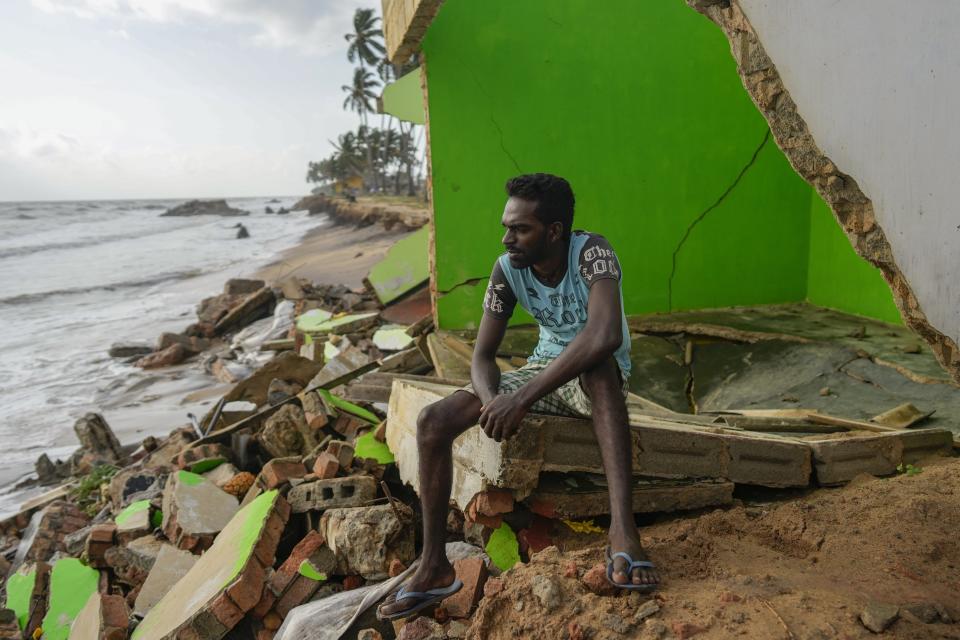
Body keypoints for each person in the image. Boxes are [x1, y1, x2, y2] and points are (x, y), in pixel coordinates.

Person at [377, 173, 660, 621]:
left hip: (592, 376)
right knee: (434, 421)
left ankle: (623, 532)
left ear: (554, 231)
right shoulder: (507, 268)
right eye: (507, 226)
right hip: (542, 371)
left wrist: (523, 398)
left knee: (600, 369)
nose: (507, 238)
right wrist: (493, 401)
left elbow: (603, 334)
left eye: (520, 229)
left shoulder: (593, 252)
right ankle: (433, 566)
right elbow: (483, 357)